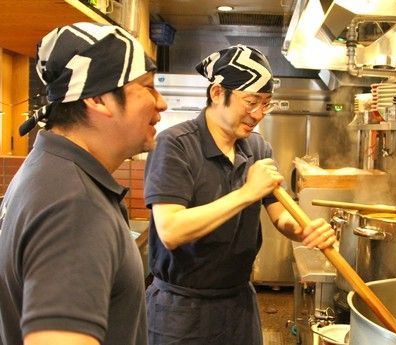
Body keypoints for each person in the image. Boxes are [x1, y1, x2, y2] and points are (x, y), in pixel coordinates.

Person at [143, 44, 336, 345]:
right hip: (180, 311)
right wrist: (247, 193)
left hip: (238, 304)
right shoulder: (175, 145)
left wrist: (304, 230)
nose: (259, 114)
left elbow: (280, 213)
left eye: (267, 103)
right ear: (218, 93)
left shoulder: (258, 148)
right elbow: (171, 230)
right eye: (251, 101)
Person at [0, 22, 167, 345]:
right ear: (100, 99)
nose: (161, 103)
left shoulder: (46, 171)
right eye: (148, 87)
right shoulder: (74, 207)